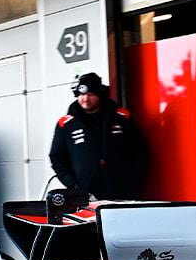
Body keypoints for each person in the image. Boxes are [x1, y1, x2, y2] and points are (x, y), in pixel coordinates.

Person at [49, 72, 148, 200]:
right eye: (82, 94)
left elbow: (140, 152)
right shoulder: (66, 124)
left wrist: (131, 180)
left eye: (90, 94)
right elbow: (57, 158)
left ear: (100, 95)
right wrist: (73, 185)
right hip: (86, 197)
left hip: (122, 194)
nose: (85, 98)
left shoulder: (122, 118)